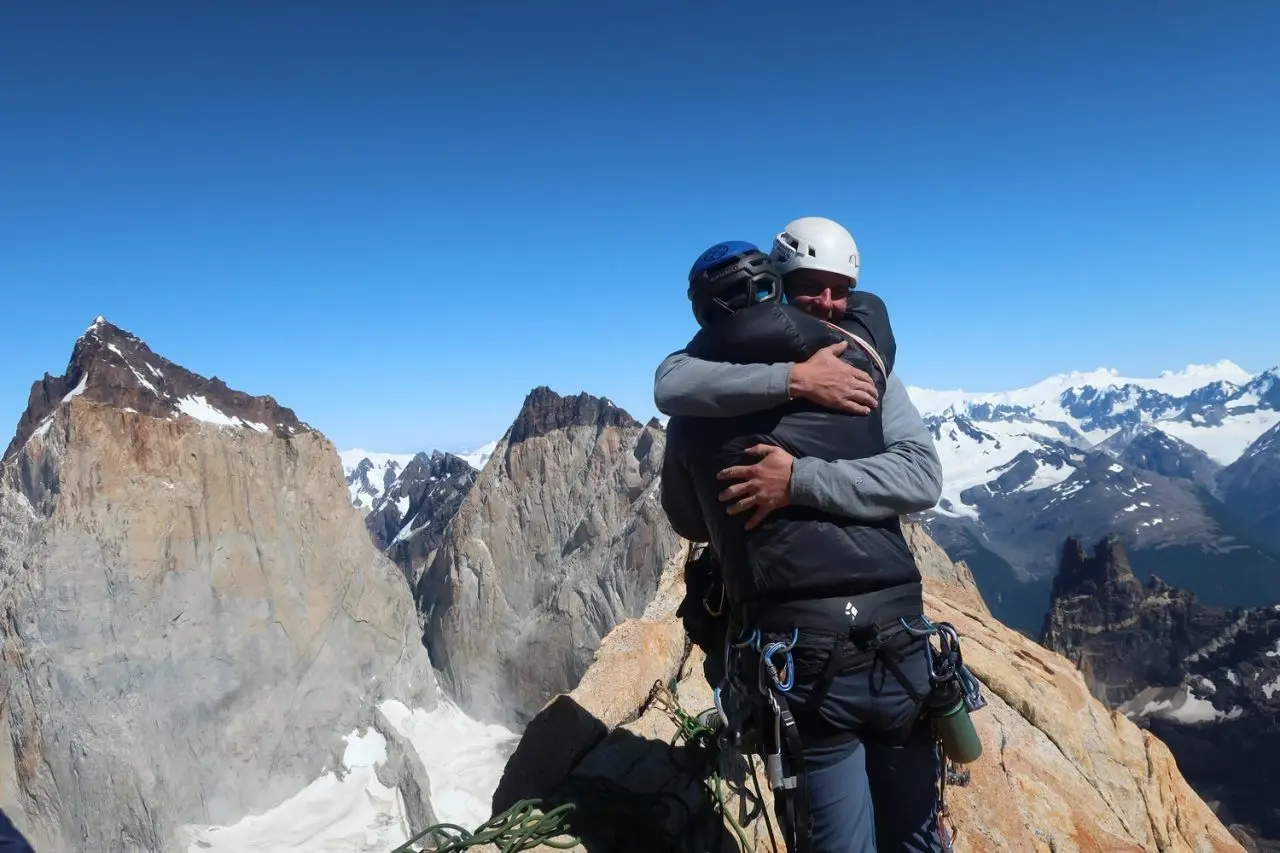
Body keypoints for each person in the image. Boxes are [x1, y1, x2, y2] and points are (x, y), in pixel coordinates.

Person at [658, 221, 953, 853]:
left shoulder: (698, 400)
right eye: (810, 287)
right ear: (777, 286)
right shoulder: (865, 365)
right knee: (917, 836)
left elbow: (685, 519)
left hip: (800, 652)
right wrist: (794, 385)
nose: (826, 302)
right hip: (900, 638)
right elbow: (921, 474)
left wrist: (796, 482)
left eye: (838, 288)